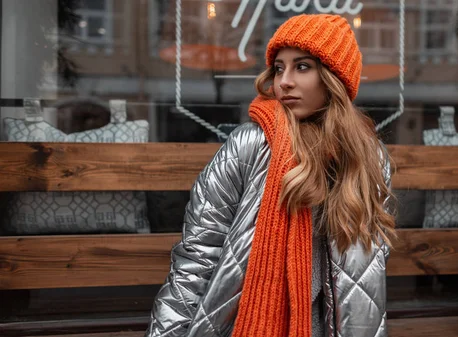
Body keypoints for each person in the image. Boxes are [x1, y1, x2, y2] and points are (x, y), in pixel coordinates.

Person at [145, 14, 396, 337]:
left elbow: (368, 272)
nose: (284, 81)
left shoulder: (368, 159)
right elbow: (198, 255)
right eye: (279, 68)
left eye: (302, 67)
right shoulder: (248, 146)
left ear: (334, 78)